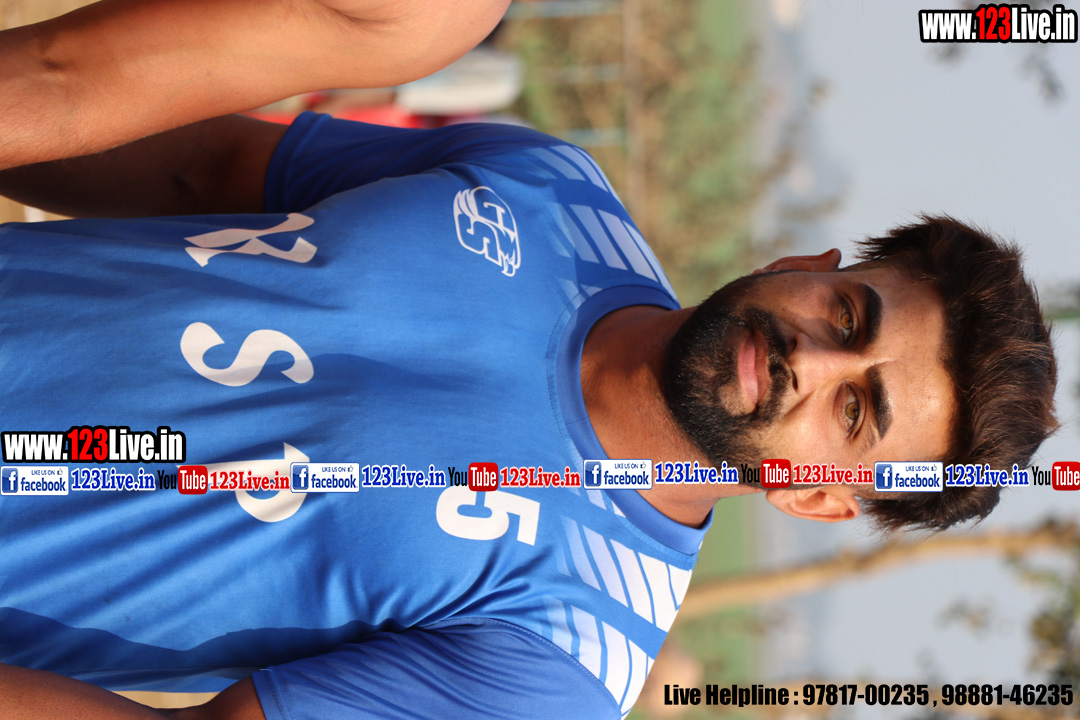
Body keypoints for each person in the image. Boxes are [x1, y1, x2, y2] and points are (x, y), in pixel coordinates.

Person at [0, 1, 1058, 719]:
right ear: (808, 265)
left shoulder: (567, 658)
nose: (810, 363)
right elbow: (204, 167)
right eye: (847, 314)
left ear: (817, 499)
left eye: (856, 412)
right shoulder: (551, 186)